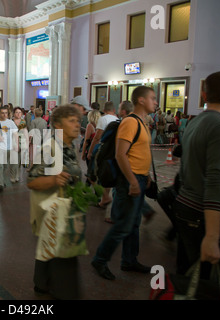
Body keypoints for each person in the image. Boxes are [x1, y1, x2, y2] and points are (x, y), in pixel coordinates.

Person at [91, 86, 156, 280]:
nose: (156, 101)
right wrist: (133, 182)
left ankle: (129, 260)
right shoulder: (130, 122)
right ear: (141, 100)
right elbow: (121, 154)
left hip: (139, 177)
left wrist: (146, 176)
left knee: (133, 223)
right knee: (124, 225)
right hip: (130, 180)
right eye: (152, 98)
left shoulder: (143, 123)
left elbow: (139, 152)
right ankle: (100, 259)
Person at [173, 71, 220, 278]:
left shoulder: (195, 122)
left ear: (204, 96)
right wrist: (212, 235)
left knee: (186, 273)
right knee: (202, 280)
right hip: (200, 213)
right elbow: (217, 180)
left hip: (184, 205)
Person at [27, 105, 83, 299]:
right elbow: (32, 181)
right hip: (53, 210)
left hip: (65, 208)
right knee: (63, 257)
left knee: (48, 247)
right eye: (72, 121)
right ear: (58, 125)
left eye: (78, 120)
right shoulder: (50, 148)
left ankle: (41, 284)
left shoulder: (69, 146)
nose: (77, 125)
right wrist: (53, 180)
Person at [87, 101, 119, 208]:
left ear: (104, 110)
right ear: (114, 110)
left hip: (103, 149)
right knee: (108, 173)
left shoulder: (103, 119)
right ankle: (105, 197)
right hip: (114, 150)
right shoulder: (118, 119)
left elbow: (97, 137)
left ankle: (105, 197)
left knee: (92, 173)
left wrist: (91, 151)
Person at [0, 106, 19, 191]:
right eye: (2, 113)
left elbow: (15, 134)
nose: (4, 115)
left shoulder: (11, 122)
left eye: (6, 113)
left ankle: (2, 180)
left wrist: (16, 145)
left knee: (5, 166)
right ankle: (0, 184)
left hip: (9, 148)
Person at [12, 107, 28, 182]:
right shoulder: (11, 122)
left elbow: (25, 132)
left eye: (19, 112)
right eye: (16, 112)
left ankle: (17, 175)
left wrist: (27, 142)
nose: (18, 114)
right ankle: (13, 176)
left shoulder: (23, 122)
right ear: (14, 113)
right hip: (13, 142)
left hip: (22, 142)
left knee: (18, 161)